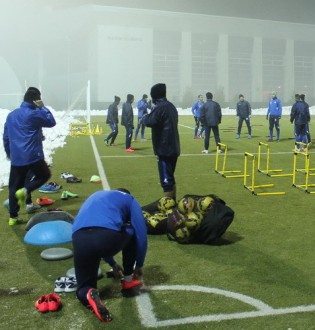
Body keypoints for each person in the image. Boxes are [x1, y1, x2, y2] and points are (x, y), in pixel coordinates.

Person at [72, 189, 147, 323]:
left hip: (79, 238)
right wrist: (139, 263)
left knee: (83, 288)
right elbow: (141, 233)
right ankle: (128, 280)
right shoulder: (130, 199)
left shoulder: (96, 194)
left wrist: (112, 263)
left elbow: (96, 230)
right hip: (105, 237)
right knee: (132, 229)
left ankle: (89, 293)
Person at [3, 87, 56, 225]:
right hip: (33, 156)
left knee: (14, 186)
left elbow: (6, 137)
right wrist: (43, 107)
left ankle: (13, 217)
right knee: (44, 175)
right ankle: (25, 191)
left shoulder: (11, 115)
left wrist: (9, 153)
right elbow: (51, 122)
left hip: (17, 158)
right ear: (36, 100)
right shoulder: (34, 113)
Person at [142, 83, 181, 200]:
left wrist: (144, 117)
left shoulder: (160, 108)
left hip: (164, 149)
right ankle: (173, 204)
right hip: (174, 147)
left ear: (154, 96)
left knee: (166, 182)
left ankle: (169, 210)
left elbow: (150, 121)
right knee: (171, 178)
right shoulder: (171, 106)